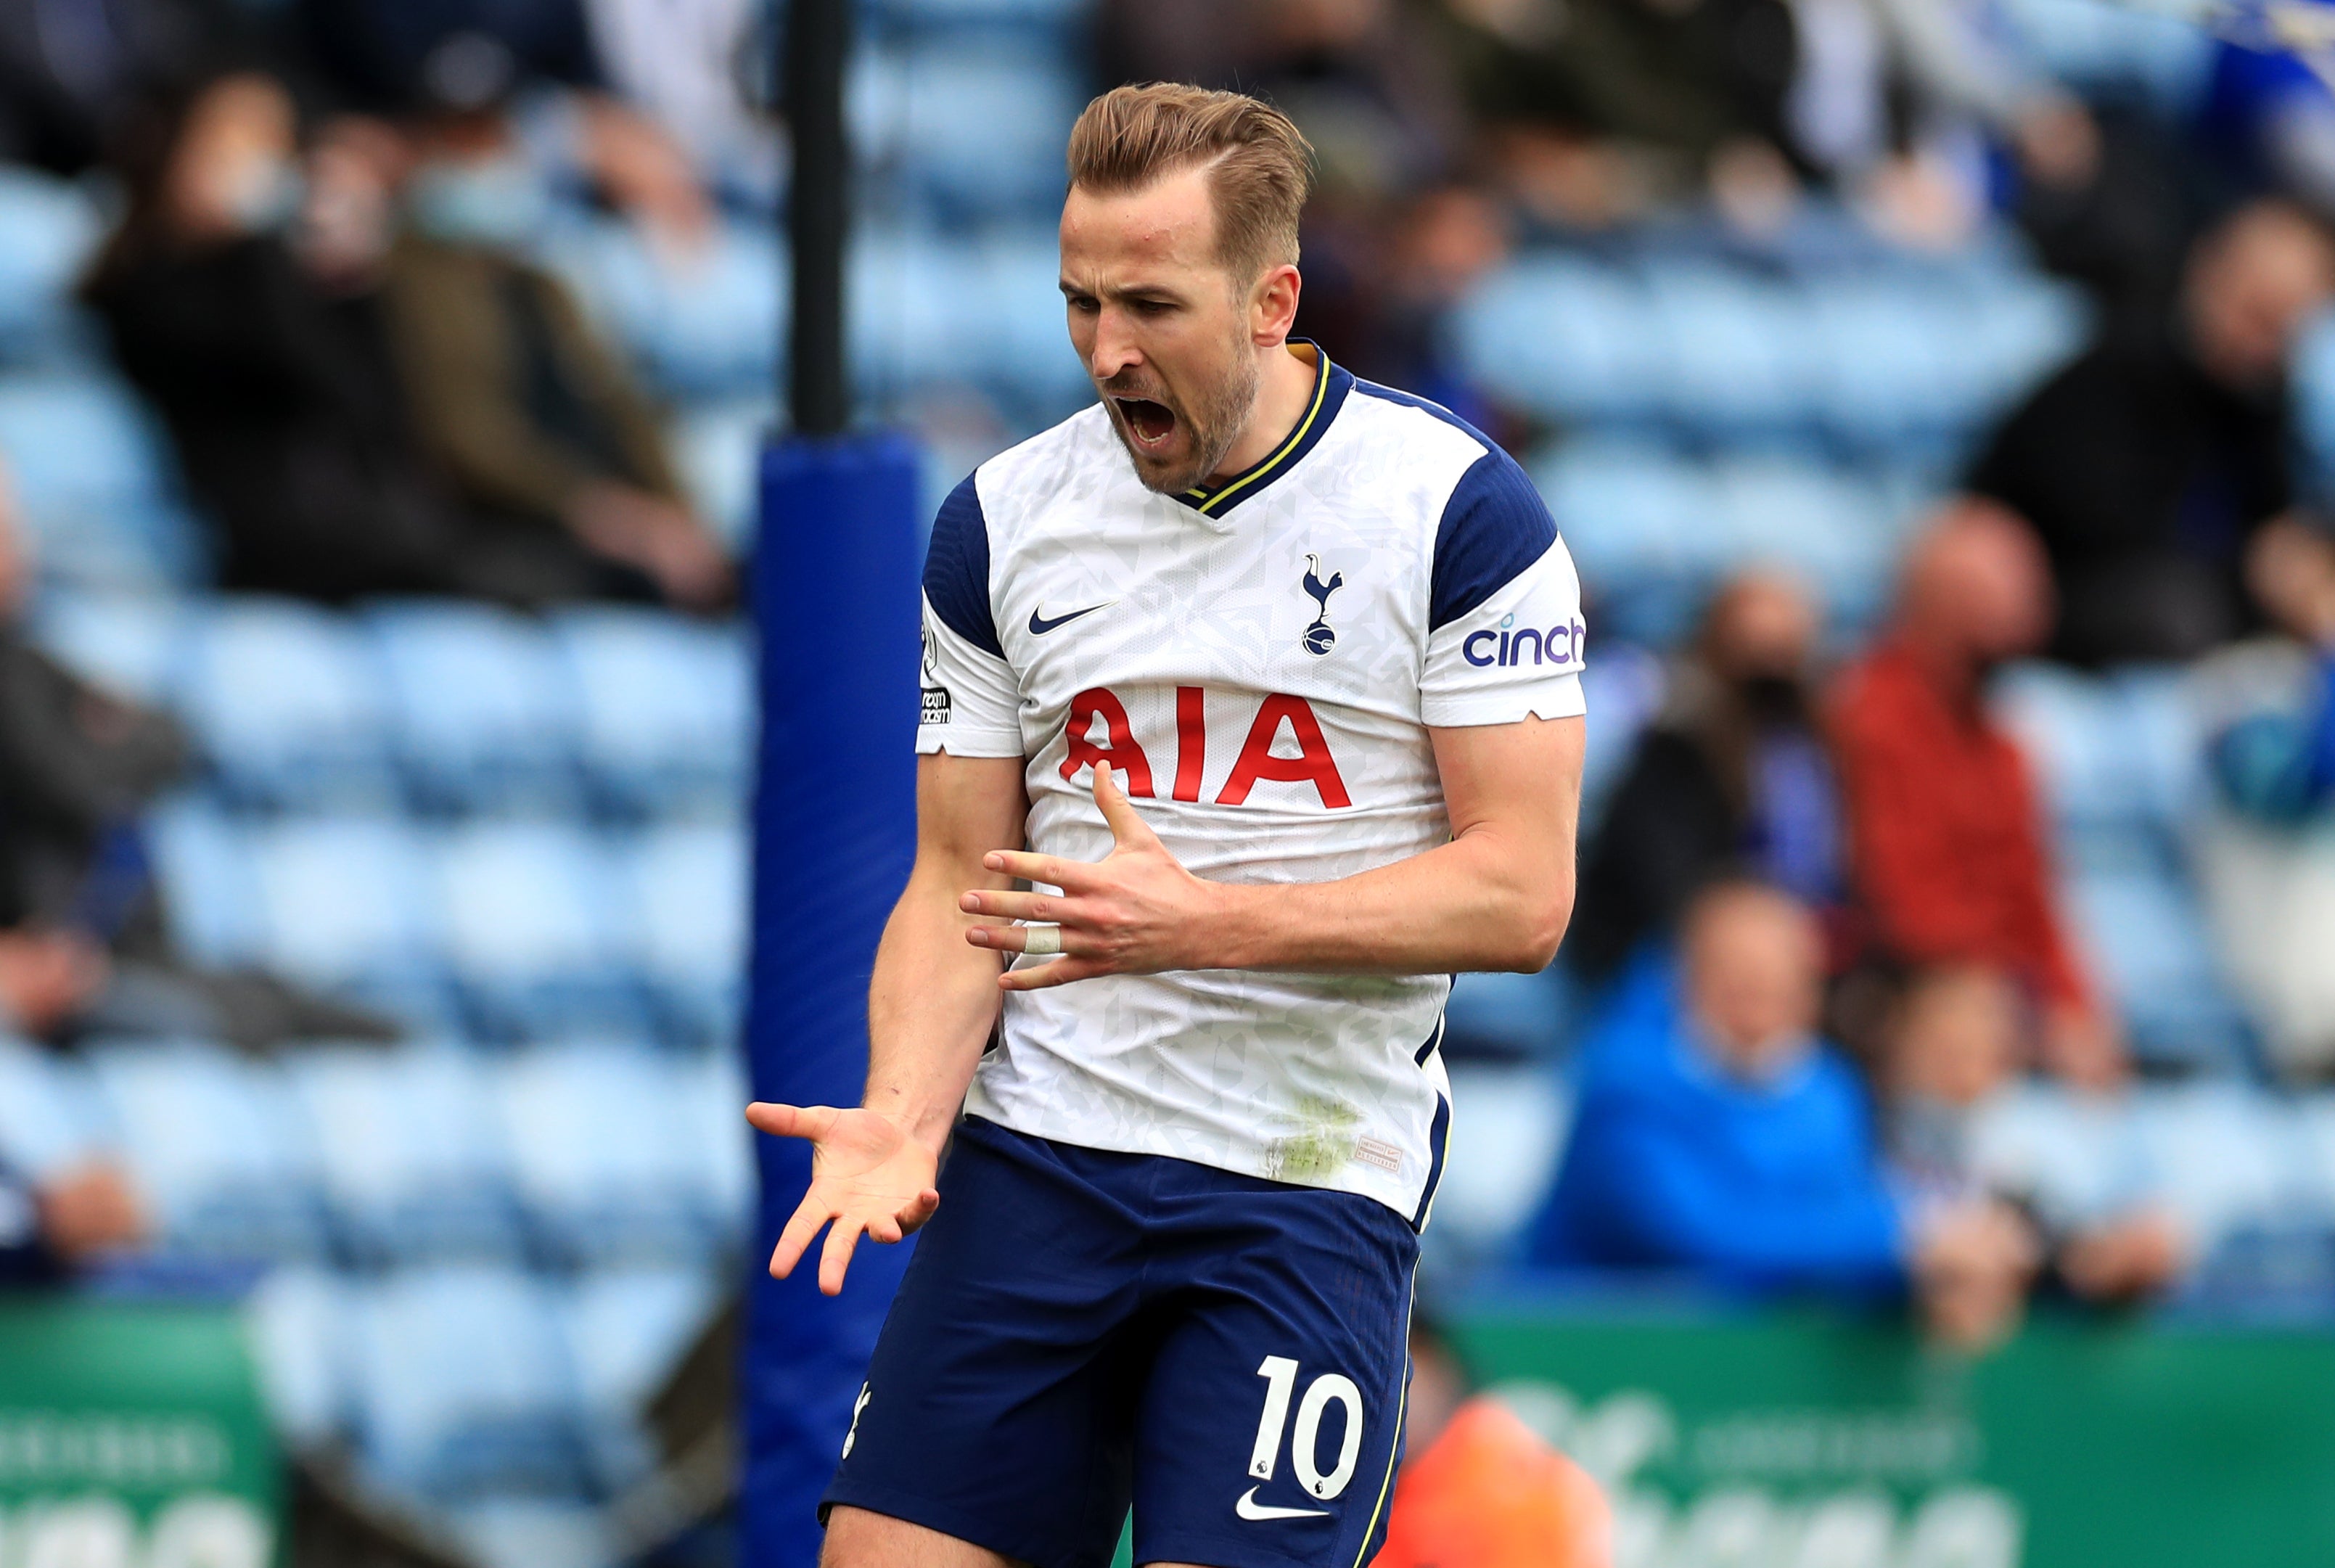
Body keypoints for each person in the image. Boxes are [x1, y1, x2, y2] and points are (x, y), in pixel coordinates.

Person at [747, 84, 1588, 1568]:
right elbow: (959, 877)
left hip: (1301, 1189)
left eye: (1149, 303)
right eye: (1077, 302)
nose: (1105, 349)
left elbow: (1521, 895)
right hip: (1040, 1163)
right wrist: (900, 1106)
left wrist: (1206, 922)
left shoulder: (1452, 514)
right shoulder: (1004, 520)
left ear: (1272, 302)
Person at [82, 70, 622, 606]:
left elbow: (370, 401)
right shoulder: (152, 285)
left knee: (563, 574)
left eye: (274, 145)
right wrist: (269, 255)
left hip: (371, 515)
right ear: (176, 148)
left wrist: (352, 288)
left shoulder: (273, 278)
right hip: (280, 533)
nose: (259, 167)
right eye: (234, 142)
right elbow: (295, 371)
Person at [1529, 882, 2035, 1346]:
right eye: (1739, 975)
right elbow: (1703, 1236)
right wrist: (1907, 1240)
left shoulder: (1830, 1092)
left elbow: (1832, 1232)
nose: (1761, 997)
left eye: (1782, 977)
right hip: (1584, 1354)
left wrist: (1928, 1281)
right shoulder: (1626, 1084)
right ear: (1688, 976)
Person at [381, 97, 734, 613]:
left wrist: (677, 515)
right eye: (470, 152)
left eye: (498, 151)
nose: (492, 171)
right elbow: (469, 438)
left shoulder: (543, 285)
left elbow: (620, 404)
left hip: (605, 521)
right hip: (514, 527)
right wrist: (595, 509)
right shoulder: (416, 282)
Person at [1828, 500, 2125, 1088]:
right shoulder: (1871, 716)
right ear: (1937, 601)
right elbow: (1899, 900)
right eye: (1998, 591)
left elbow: (2033, 892)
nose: (2028, 610)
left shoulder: (2003, 747)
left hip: (1998, 992)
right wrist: (2019, 991)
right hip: (1901, 989)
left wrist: (2074, 1005)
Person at [1966, 199, 2335, 667]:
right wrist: (2253, 571)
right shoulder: (2118, 364)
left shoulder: (2264, 402)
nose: (2260, 344)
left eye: (2281, 328)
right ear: (2207, 268)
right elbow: (2108, 540)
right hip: (2052, 608)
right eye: (2254, 312)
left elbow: (2273, 525)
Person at [1570, 570, 1841, 985]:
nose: (1768, 681)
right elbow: (1665, 889)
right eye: (1752, 659)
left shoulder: (1807, 753)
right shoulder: (1675, 751)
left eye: (1784, 660)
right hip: (1656, 965)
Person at [1880, 964, 2184, 1305]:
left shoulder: (2040, 1125)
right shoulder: (1879, 1127)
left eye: (1989, 1018)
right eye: (1955, 1018)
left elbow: (2071, 1230)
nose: (1978, 1033)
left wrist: (2094, 1256)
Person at [1374, 1315, 1612, 1568]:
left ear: (1440, 1371)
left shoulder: (1505, 1485)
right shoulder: (1380, 1480)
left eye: (1405, 1371)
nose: (1385, 1392)